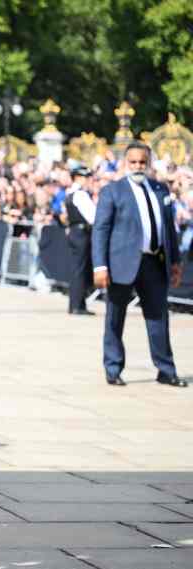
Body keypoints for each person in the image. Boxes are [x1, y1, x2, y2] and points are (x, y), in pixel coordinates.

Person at [92, 142, 187, 387]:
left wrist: (175, 262)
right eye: (133, 162)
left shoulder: (160, 189)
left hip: (154, 262)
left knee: (158, 318)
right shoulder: (113, 191)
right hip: (121, 264)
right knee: (115, 317)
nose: (137, 167)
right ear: (126, 163)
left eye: (142, 162)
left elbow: (169, 229)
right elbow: (101, 229)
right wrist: (100, 266)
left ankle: (166, 370)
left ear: (149, 163)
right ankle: (113, 368)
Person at [64, 167, 97, 315]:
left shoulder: (70, 193)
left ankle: (76, 304)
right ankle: (78, 305)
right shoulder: (81, 195)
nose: (88, 180)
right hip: (82, 233)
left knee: (77, 268)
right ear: (78, 178)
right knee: (80, 269)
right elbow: (93, 217)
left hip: (75, 232)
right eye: (86, 177)